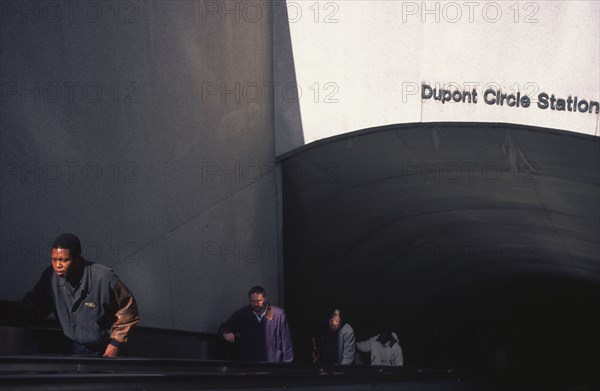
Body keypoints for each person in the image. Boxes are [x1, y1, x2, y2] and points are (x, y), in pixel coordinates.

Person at [0, 233, 140, 357]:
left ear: (78, 259)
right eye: (54, 260)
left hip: (105, 352)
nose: (57, 265)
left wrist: (116, 344)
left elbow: (128, 309)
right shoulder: (50, 278)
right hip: (74, 351)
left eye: (64, 260)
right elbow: (31, 309)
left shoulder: (103, 278)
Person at [218, 286, 294, 363]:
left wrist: (287, 367)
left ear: (265, 299)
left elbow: (287, 343)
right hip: (251, 367)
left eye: (259, 301)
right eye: (252, 301)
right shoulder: (243, 314)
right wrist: (226, 334)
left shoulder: (279, 316)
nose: (256, 304)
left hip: (273, 367)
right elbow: (223, 328)